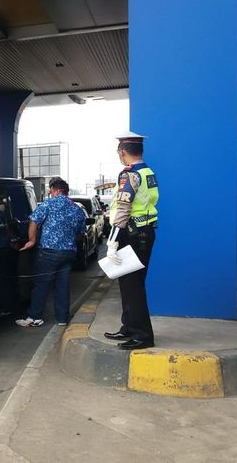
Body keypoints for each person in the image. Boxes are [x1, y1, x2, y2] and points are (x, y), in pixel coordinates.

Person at [104, 131, 159, 350]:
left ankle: (142, 336)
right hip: (145, 233)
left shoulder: (129, 176)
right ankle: (128, 327)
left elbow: (123, 210)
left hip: (133, 234)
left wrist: (112, 243)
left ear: (122, 152)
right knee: (130, 285)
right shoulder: (148, 172)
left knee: (132, 287)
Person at [16, 177, 85, 328]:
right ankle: (62, 319)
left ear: (55, 190)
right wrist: (70, 242)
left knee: (41, 284)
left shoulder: (49, 204)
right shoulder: (77, 209)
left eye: (50, 191)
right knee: (62, 285)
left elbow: (34, 221)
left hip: (48, 251)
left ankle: (35, 317)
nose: (50, 193)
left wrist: (32, 240)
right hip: (68, 253)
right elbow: (81, 233)